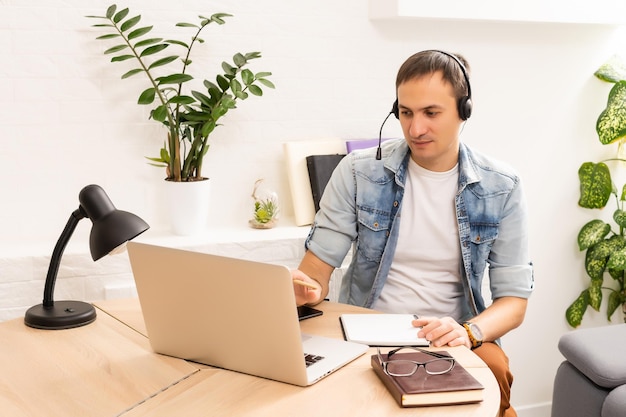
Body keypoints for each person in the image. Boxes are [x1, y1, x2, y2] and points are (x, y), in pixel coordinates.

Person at [291, 50, 534, 417]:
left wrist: (468, 332)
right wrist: (301, 288)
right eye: (405, 112)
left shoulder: (501, 186)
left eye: (431, 113)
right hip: (364, 330)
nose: (415, 129)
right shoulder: (358, 173)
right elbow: (315, 274)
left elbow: (514, 302)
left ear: (463, 111)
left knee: (495, 372)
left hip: (455, 336)